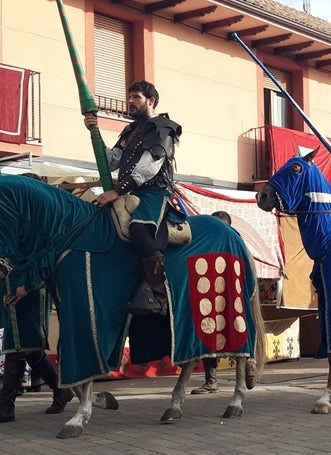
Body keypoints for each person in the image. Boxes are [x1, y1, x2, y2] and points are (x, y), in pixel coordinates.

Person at [83, 80, 182, 315]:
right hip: (132, 191)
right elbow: (112, 160)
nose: (130, 102)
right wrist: (94, 131)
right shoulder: (130, 131)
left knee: (139, 228)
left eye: (135, 97)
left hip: (155, 192)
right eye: (129, 97)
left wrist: (117, 191)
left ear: (151, 101)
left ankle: (158, 292)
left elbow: (150, 166)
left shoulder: (164, 128)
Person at [191, 211, 257, 393]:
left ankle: (243, 367)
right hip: (217, 294)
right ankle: (215, 378)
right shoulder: (232, 243)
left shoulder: (234, 243)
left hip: (230, 294)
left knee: (231, 329)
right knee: (212, 329)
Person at [0, 289, 74, 423]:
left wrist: (23, 284)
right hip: (11, 286)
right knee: (29, 348)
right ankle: (61, 390)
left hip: (28, 288)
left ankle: (5, 406)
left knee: (19, 345)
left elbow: (39, 268)